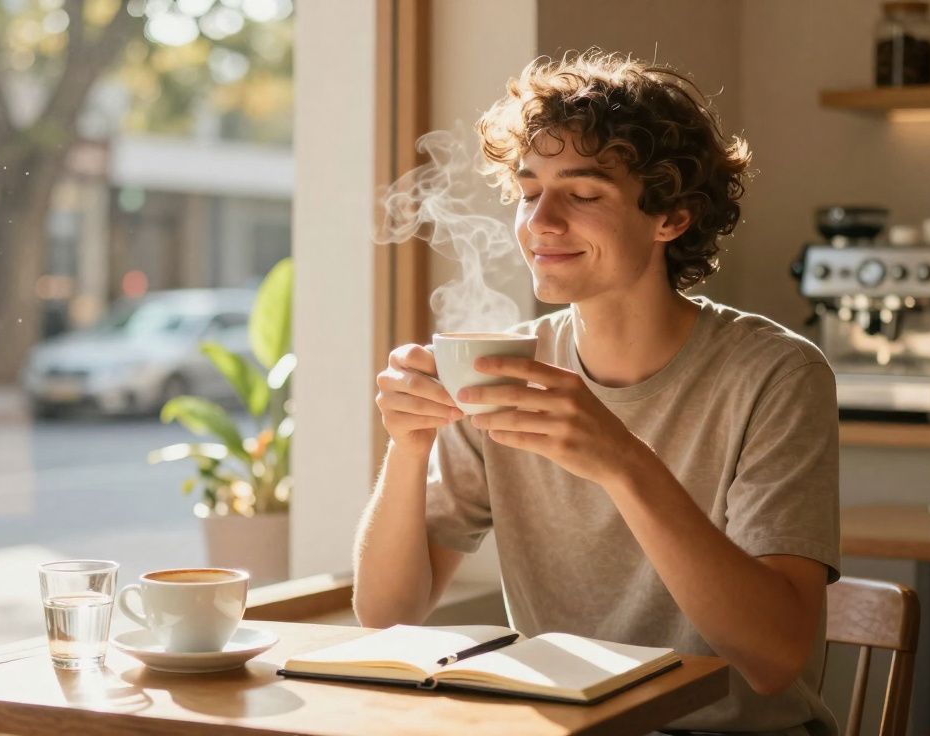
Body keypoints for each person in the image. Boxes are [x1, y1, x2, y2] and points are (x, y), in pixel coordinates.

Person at [354, 50, 840, 736]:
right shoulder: (505, 368)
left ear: (670, 217)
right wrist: (409, 446)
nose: (540, 223)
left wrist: (622, 459)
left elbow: (773, 658)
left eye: (582, 194)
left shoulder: (776, 375)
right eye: (528, 192)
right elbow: (386, 612)